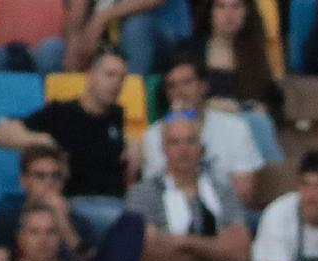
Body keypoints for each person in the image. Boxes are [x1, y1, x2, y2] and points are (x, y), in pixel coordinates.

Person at [124, 114, 253, 261]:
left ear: (200, 147)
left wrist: (181, 243)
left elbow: (240, 249)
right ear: (164, 148)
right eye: (175, 142)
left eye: (190, 141)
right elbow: (145, 254)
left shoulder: (221, 189)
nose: (183, 150)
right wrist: (215, 248)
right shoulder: (144, 193)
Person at [0, 46, 131, 235]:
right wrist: (42, 140)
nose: (116, 83)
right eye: (110, 75)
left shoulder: (116, 115)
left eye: (121, 78)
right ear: (90, 75)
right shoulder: (61, 113)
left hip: (117, 201)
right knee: (131, 225)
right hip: (76, 204)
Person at [141, 53, 265, 207]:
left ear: (204, 85)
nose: (179, 92)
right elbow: (154, 194)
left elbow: (244, 194)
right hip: (170, 215)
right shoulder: (155, 134)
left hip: (227, 215)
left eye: (186, 83)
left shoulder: (235, 127)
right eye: (172, 86)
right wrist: (176, 127)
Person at [0, 147, 95, 261]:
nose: (49, 183)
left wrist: (64, 224)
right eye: (40, 176)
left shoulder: (79, 223)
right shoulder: (4, 221)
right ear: (23, 181)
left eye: (55, 176)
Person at [193, 0, 281, 161]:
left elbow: (275, 102)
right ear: (210, 12)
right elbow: (173, 103)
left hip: (245, 125)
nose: (229, 14)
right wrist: (206, 106)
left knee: (258, 122)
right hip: (202, 122)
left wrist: (262, 107)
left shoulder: (256, 55)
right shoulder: (191, 51)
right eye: (221, 6)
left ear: (246, 12)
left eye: (236, 7)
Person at [67, 0, 192, 76]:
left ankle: (127, 104)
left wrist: (102, 17)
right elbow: (77, 11)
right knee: (52, 50)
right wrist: (74, 40)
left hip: (166, 39)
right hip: (110, 43)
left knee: (136, 27)